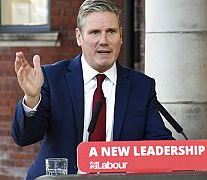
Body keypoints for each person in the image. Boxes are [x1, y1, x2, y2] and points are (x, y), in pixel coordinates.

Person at [11, 0, 174, 179]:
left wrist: (189, 156)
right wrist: (32, 98)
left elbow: (161, 147)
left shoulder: (141, 86)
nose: (103, 41)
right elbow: (24, 138)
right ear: (79, 37)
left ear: (120, 35)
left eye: (110, 32)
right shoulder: (52, 77)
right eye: (95, 32)